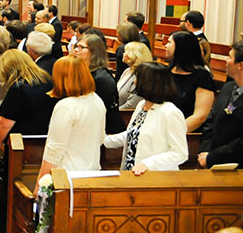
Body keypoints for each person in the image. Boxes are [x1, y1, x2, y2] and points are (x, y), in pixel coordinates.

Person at [103, 63, 188, 175]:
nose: (134, 82)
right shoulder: (141, 105)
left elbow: (180, 153)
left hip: (154, 178)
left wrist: (148, 164)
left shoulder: (170, 112)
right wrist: (104, 141)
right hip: (131, 174)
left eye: (137, 78)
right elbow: (132, 135)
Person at [37, 57, 106, 182]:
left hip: (67, 177)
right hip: (92, 172)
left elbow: (54, 151)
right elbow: (101, 138)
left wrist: (40, 182)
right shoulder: (97, 100)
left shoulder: (66, 106)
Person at [0, 49, 57, 145]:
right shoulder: (47, 81)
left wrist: (0, 144)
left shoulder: (18, 89)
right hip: (44, 139)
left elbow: (5, 124)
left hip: (20, 142)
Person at [198, 40, 243, 168]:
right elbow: (211, 119)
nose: (225, 61)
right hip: (211, 159)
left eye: (229, 57)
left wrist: (213, 157)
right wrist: (205, 151)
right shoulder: (228, 87)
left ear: (240, 65)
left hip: (236, 166)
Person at [74, 34, 126, 134]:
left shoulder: (102, 78)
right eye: (77, 46)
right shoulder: (86, 72)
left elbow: (102, 111)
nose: (77, 50)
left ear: (94, 52)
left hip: (106, 132)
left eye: (82, 47)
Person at [166, 31, 215, 132]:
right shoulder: (167, 71)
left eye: (169, 42)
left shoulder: (202, 77)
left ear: (180, 48)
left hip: (184, 134)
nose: (166, 46)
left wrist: (173, 132)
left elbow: (200, 116)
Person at [116, 41, 152, 110]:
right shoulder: (127, 71)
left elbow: (131, 105)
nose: (123, 54)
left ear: (133, 55)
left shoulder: (140, 77)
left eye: (125, 51)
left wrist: (114, 113)